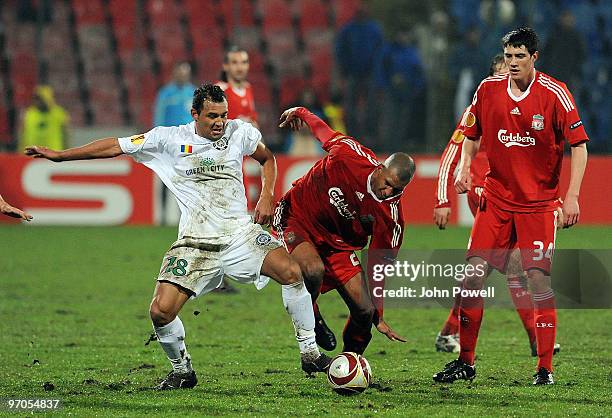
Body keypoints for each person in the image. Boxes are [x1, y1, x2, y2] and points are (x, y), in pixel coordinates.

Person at [25, 84, 331, 390]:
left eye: (223, 115)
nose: (219, 122)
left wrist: (266, 195)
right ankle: (182, 370)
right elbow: (115, 146)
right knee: (160, 311)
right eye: (212, 116)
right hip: (195, 242)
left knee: (293, 273)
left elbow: (267, 159)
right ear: (194, 114)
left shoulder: (240, 132)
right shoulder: (168, 139)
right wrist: (61, 156)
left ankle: (309, 352)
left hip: (240, 235)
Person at [433, 28, 588, 386]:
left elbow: (578, 146)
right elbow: (469, 134)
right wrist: (463, 165)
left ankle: (544, 368)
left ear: (535, 57)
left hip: (538, 205)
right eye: (509, 56)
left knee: (536, 280)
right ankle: (466, 361)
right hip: (497, 200)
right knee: (471, 278)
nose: (513, 63)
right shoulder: (487, 90)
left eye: (520, 56)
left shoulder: (556, 94)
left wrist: (573, 195)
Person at [433, 54, 560, 357]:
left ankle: (449, 331)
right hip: (490, 195)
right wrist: (442, 198)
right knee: (510, 269)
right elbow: (451, 154)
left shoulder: (530, 103)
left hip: (522, 198)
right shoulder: (482, 104)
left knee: (495, 271)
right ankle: (532, 338)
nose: (512, 73)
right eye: (504, 69)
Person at [274, 106, 415, 355]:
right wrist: (301, 112)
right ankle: (313, 319)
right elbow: (324, 132)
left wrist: (378, 312)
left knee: (364, 310)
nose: (388, 192)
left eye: (397, 190)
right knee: (312, 270)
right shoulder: (350, 154)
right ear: (380, 168)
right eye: (388, 184)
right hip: (298, 217)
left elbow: (379, 265)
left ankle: (351, 361)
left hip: (338, 244)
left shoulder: (390, 218)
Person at [216, 46, 258, 128]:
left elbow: (254, 121)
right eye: (235, 62)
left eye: (244, 62)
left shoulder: (248, 88)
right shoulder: (219, 90)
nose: (240, 68)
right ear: (225, 66)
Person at [19, 85, 69, 151]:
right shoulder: (29, 113)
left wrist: (66, 152)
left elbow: (66, 134)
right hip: (32, 154)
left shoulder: (59, 113)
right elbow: (22, 134)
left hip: (54, 153)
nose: (37, 101)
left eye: (40, 99)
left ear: (48, 99)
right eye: (36, 99)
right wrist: (21, 150)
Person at [153, 62, 197, 127]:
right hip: (170, 133)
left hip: (188, 133)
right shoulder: (165, 93)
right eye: (180, 74)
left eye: (185, 74)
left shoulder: (194, 93)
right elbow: (159, 115)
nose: (183, 77)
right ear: (175, 73)